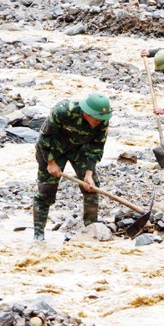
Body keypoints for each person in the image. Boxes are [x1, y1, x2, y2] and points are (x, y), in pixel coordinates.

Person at [33, 93, 112, 241]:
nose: (97, 122)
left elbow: (97, 147)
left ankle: (91, 228)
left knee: (92, 187)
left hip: (80, 149)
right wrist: (50, 162)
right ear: (86, 112)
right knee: (46, 191)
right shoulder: (64, 110)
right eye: (95, 118)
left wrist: (89, 173)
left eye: (101, 119)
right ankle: (38, 234)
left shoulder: (102, 120)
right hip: (52, 149)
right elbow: (44, 137)